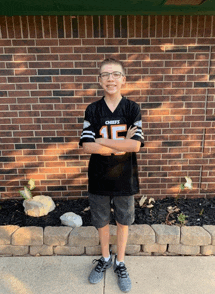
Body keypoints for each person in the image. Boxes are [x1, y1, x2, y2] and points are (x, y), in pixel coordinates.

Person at [79, 58, 144, 293]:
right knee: (101, 221)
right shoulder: (93, 109)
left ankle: (120, 261)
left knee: (124, 221)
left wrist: (101, 140)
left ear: (123, 79)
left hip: (125, 177)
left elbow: (135, 146)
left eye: (116, 74)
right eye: (105, 75)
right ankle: (105, 258)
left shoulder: (132, 108)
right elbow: (87, 146)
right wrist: (120, 144)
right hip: (99, 177)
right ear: (99, 80)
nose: (111, 79)